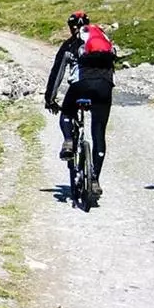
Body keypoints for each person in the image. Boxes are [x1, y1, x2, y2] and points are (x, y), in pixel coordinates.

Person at [44, 11, 117, 197]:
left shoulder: (69, 45)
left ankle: (69, 141)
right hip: (104, 87)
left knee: (67, 113)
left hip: (80, 85)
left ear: (70, 27)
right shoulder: (103, 42)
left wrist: (50, 99)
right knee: (99, 132)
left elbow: (57, 73)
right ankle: (94, 179)